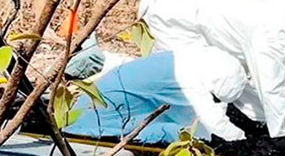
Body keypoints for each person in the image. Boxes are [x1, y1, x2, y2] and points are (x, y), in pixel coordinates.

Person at [137, 0, 285, 138]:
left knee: (219, 75)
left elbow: (241, 81)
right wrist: (280, 135)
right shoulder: (273, 32)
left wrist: (264, 117)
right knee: (185, 85)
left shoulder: (263, 13)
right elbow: (271, 88)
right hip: (170, 11)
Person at [66, 47, 249, 143]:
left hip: (87, 116)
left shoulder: (181, 60)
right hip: (94, 128)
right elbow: (213, 125)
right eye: (215, 96)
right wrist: (243, 140)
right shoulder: (186, 79)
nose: (214, 100)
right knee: (180, 135)